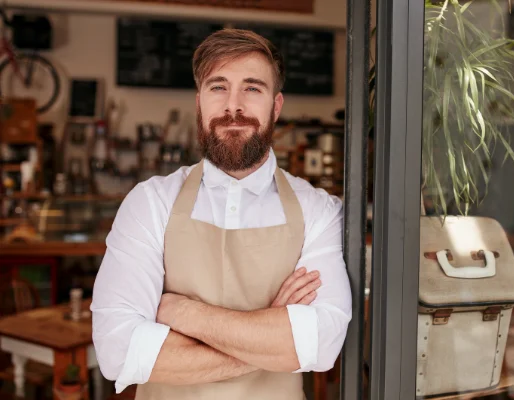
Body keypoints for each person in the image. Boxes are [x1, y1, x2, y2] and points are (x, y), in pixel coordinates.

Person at [91, 28, 352, 400]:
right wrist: (272, 333)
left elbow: (322, 345)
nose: (234, 106)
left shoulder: (318, 210)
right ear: (199, 101)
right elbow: (118, 353)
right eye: (218, 87)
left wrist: (182, 313)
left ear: (276, 106)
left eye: (252, 88)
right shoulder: (150, 203)